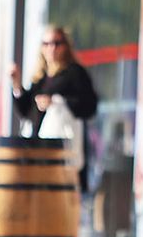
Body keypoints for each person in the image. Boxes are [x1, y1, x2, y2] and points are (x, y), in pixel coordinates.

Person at [8, 25, 98, 189]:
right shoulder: (41, 78)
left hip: (62, 150)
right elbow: (26, 112)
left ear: (66, 46)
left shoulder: (75, 73)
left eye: (57, 43)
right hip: (39, 149)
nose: (52, 48)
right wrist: (16, 85)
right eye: (47, 44)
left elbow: (90, 106)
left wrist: (57, 102)